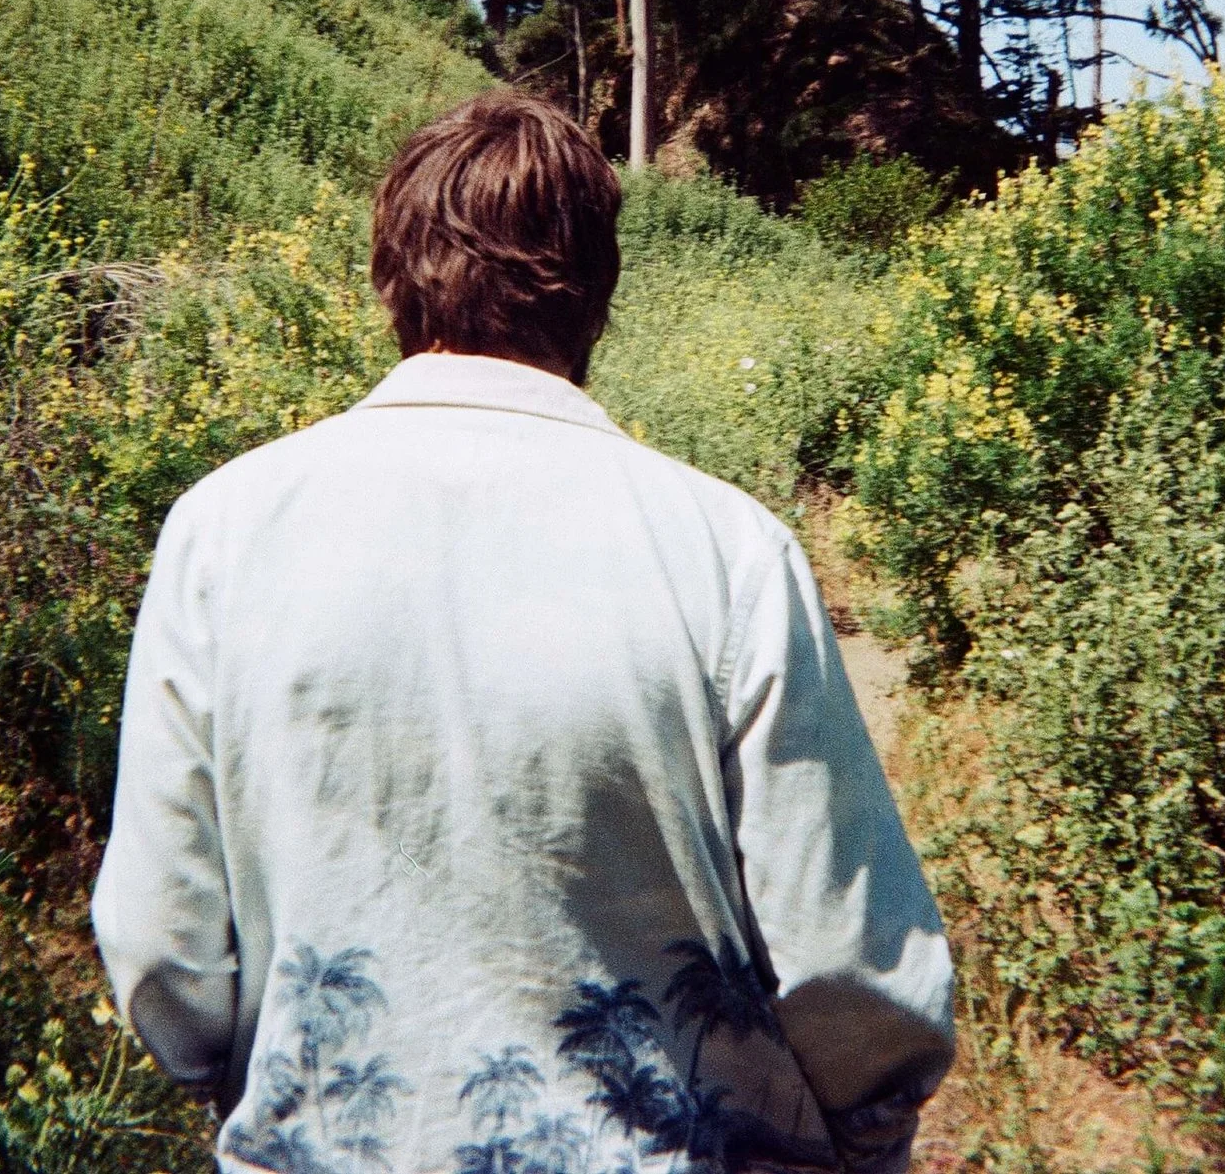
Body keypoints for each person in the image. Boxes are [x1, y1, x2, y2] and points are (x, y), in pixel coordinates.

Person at [92, 90, 955, 1174]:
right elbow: (847, 966)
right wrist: (867, 1140)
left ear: (388, 279)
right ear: (599, 293)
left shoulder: (221, 530)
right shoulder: (728, 551)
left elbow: (164, 941)